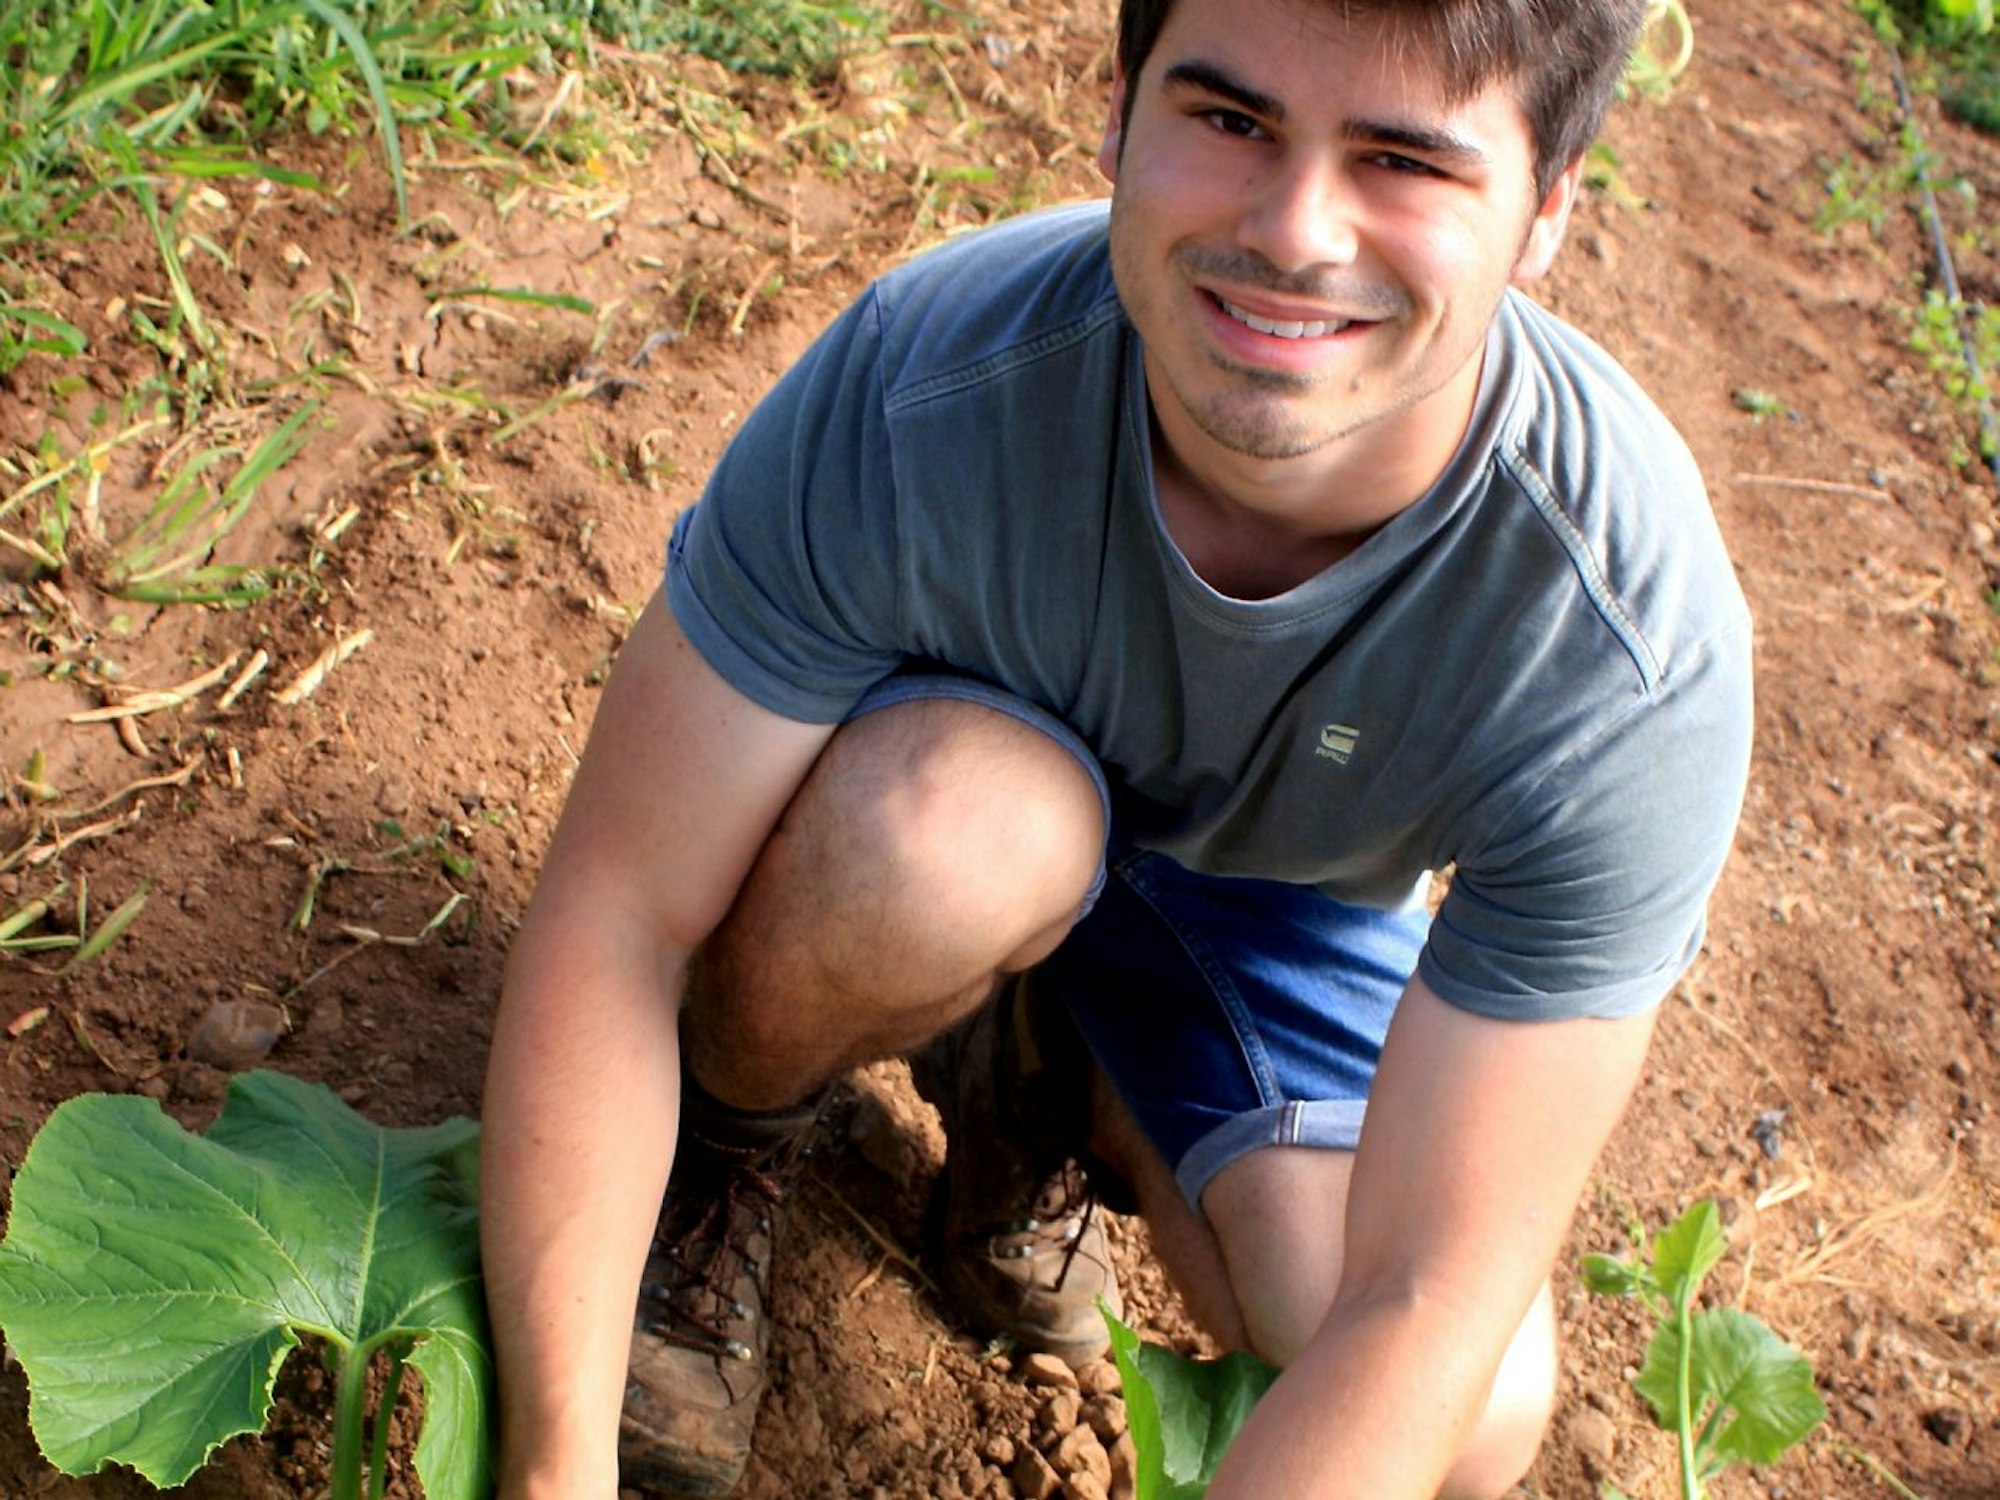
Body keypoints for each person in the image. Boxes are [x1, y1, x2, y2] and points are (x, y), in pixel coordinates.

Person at [480, 0, 1754, 1495]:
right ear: (1119, 112)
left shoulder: (1621, 643)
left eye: (1405, 161)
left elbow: (1432, 1296)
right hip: (954, 802)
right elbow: (620, 913)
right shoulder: (926, 384)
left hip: (1273, 914)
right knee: (947, 844)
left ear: (1546, 212)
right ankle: (728, 1149)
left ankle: (1046, 1087)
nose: (1294, 230)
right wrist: (554, 1461)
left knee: (1473, 1420)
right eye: (1229, 121)